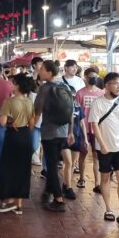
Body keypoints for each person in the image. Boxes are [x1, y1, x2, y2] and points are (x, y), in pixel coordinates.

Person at [88, 73, 119, 224]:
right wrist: (102, 145)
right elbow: (94, 124)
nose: (118, 86)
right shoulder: (98, 103)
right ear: (107, 85)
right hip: (104, 148)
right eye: (115, 83)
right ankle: (108, 209)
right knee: (105, 177)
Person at [33, 60, 76, 212]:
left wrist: (30, 128)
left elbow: (37, 112)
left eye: (42, 70)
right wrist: (70, 131)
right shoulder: (65, 87)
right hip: (63, 132)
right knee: (53, 162)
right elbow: (71, 111)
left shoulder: (45, 88)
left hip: (49, 132)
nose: (40, 72)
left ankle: (58, 199)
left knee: (51, 166)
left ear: (50, 72)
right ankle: (47, 191)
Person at [0, 73, 36, 214]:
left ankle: (7, 200)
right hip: (26, 136)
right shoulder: (29, 102)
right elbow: (32, 124)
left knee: (9, 168)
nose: (10, 85)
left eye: (13, 83)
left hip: (13, 136)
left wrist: (9, 121)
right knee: (23, 169)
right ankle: (19, 204)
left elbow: (2, 122)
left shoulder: (8, 102)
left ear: (18, 85)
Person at [75, 70, 104, 189]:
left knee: (96, 155)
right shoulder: (80, 93)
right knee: (83, 153)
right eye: (91, 77)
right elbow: (77, 112)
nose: (94, 79)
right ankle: (82, 178)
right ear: (85, 77)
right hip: (84, 128)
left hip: (97, 128)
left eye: (95, 77)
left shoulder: (102, 93)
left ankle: (97, 183)